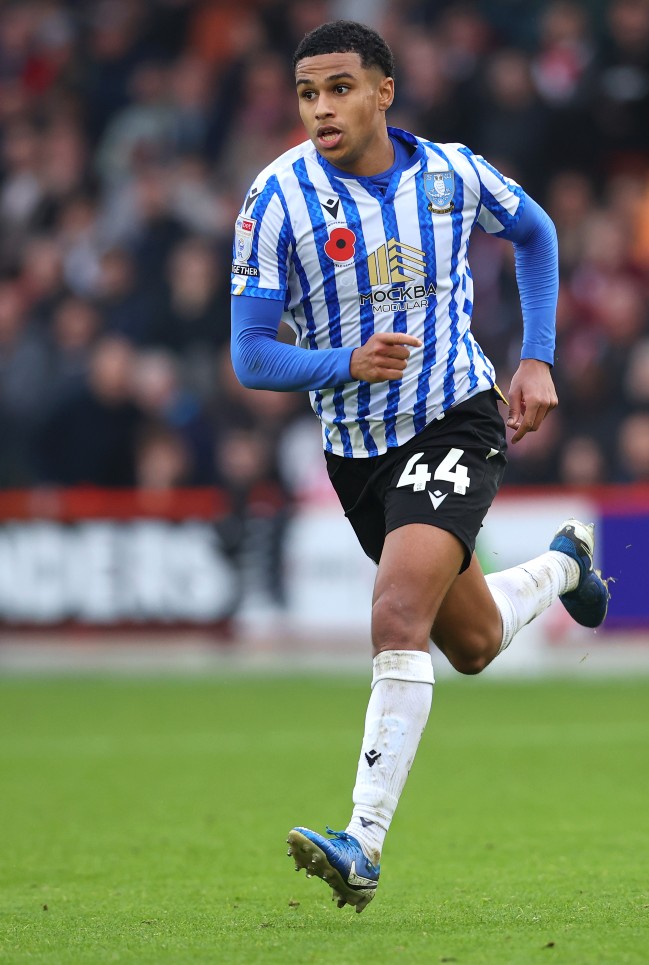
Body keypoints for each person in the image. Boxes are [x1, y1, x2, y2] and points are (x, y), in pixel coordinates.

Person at [228, 21, 610, 913]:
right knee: (471, 644)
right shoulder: (275, 198)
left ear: (383, 90)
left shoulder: (451, 175)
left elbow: (539, 233)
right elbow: (250, 355)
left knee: (397, 611)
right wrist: (343, 363)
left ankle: (360, 842)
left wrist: (539, 355)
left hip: (454, 419)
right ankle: (566, 563)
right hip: (357, 452)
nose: (322, 108)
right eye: (308, 92)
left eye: (340, 88)